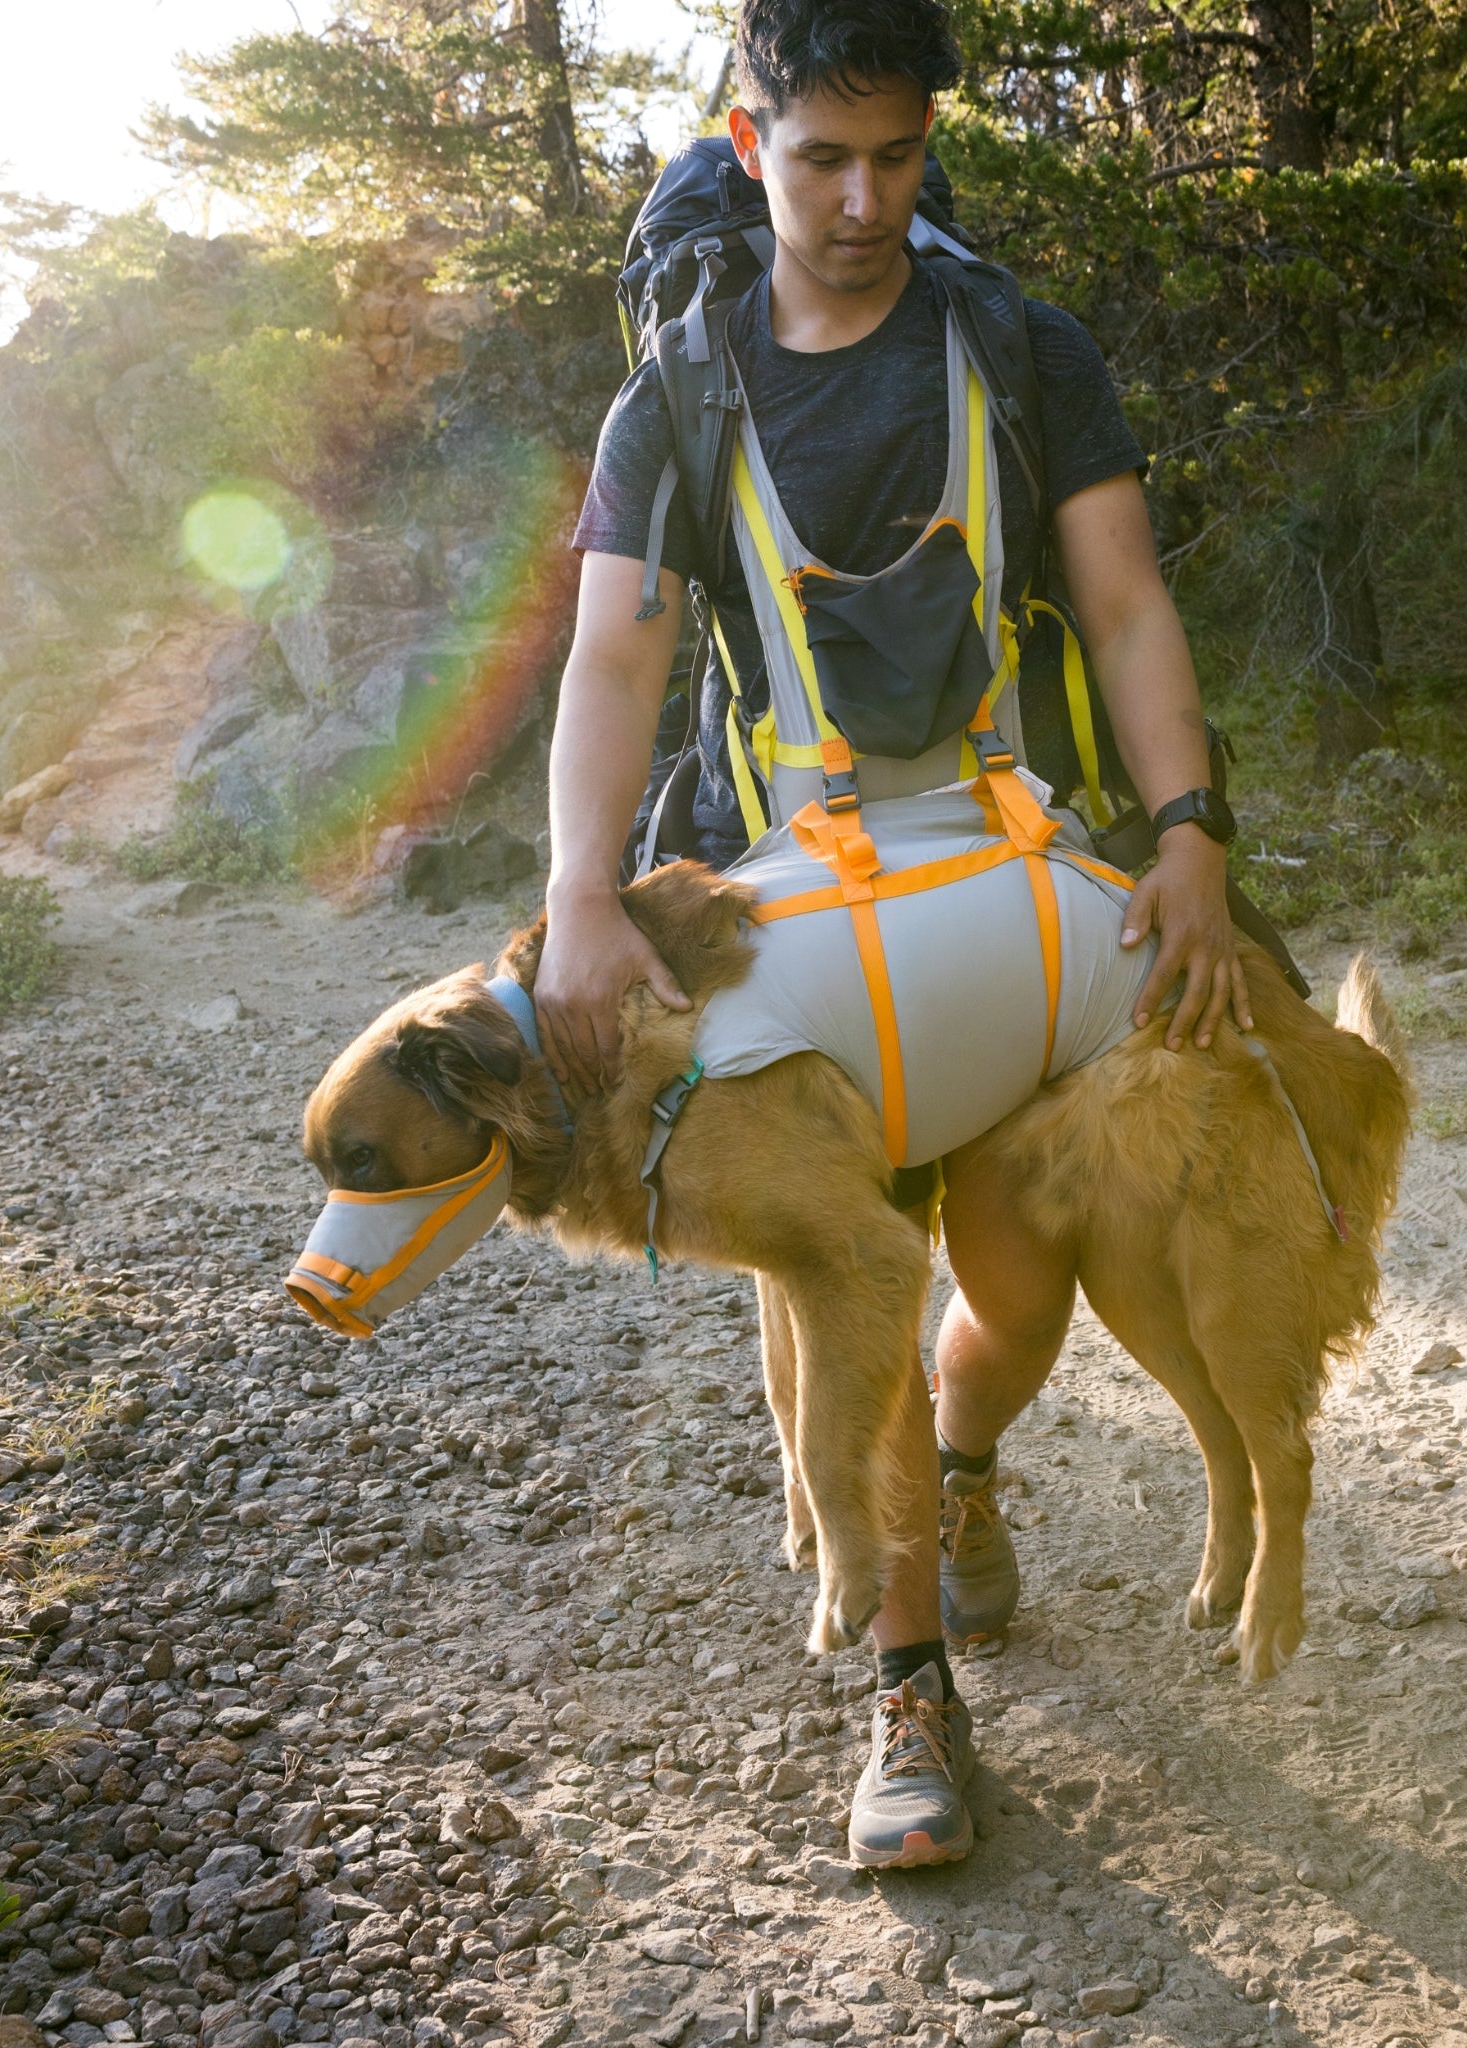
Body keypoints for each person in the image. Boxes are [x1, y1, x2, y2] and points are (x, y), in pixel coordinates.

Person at [536, 0, 1248, 1869]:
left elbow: (1123, 598)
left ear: (931, 147)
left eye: (898, 155)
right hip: (788, 901)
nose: (859, 199)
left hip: (1014, 871)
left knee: (1015, 1291)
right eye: (822, 154)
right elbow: (613, 653)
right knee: (853, 1282)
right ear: (749, 137)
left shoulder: (1018, 346)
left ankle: (966, 1457)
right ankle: (911, 1692)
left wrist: (1190, 836)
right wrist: (580, 899)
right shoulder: (676, 393)